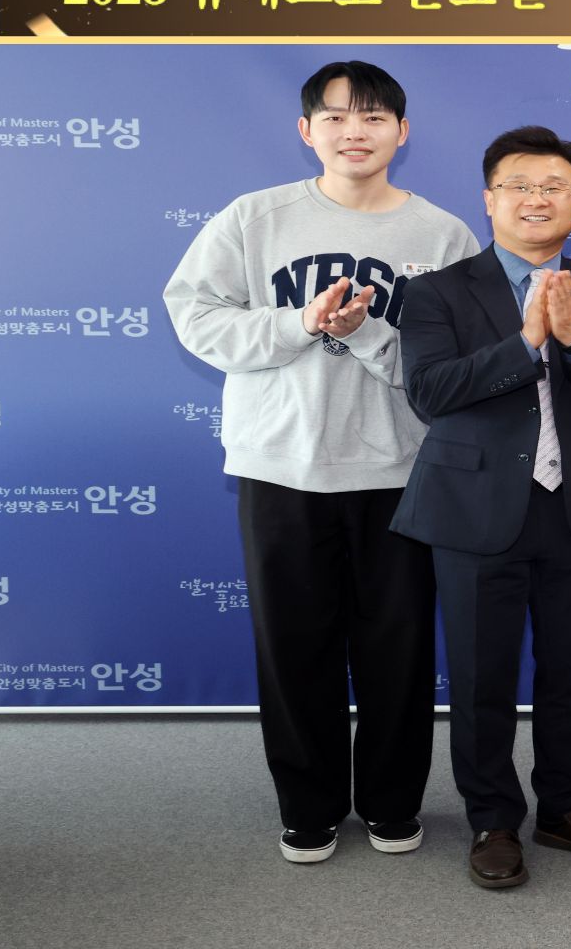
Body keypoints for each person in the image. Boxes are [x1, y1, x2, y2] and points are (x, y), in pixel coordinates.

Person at [162, 61, 479, 863]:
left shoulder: (442, 235)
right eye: (335, 117)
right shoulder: (254, 218)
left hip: (401, 472)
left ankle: (392, 802)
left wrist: (366, 334)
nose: (353, 132)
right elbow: (194, 315)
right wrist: (297, 324)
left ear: (402, 132)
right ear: (306, 131)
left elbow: (455, 365)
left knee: (399, 650)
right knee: (293, 646)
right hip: (282, 468)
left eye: (372, 117)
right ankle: (308, 806)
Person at [390, 125, 571, 890]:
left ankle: (565, 807)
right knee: (480, 676)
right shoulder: (437, 290)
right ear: (489, 199)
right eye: (520, 186)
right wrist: (525, 342)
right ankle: (493, 818)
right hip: (474, 508)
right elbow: (431, 392)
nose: (538, 199)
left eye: (554, 187)